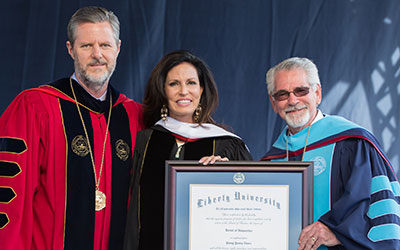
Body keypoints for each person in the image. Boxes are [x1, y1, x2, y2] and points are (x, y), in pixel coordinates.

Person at [0, 6, 144, 250]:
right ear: (71, 50)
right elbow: (10, 199)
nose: (97, 54)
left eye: (105, 45)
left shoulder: (134, 116)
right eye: (86, 46)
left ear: (118, 48)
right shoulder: (36, 107)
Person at [261, 57, 400, 249]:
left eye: (301, 91)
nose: (293, 100)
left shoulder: (352, 143)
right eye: (282, 94)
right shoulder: (271, 159)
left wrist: (338, 231)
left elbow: (376, 209)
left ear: (317, 93)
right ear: (273, 102)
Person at [123, 50, 253, 249]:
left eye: (191, 83)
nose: (183, 91)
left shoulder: (227, 145)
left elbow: (248, 212)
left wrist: (231, 177)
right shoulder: (144, 140)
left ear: (202, 89)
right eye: (174, 84)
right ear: (163, 90)